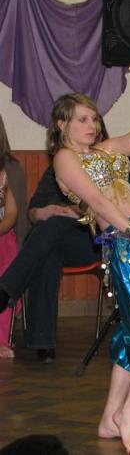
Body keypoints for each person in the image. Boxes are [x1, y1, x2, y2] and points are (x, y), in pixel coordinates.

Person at [34, 61, 130, 454]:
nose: (92, 125)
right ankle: (129, 414)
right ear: (61, 124)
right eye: (82, 119)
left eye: (94, 118)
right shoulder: (64, 158)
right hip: (128, 240)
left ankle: (109, 418)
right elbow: (95, 200)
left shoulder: (106, 150)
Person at [0, 163, 101, 363]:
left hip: (91, 240)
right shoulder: (56, 167)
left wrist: (77, 211)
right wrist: (41, 213)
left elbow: (116, 211)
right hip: (52, 240)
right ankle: (43, 343)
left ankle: (6, 288)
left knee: (50, 229)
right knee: (47, 250)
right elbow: (31, 211)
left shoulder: (107, 164)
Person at [0, 116, 18, 359]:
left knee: (5, 276)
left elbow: (12, 213)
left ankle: (1, 339)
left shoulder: (5, 173)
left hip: (3, 237)